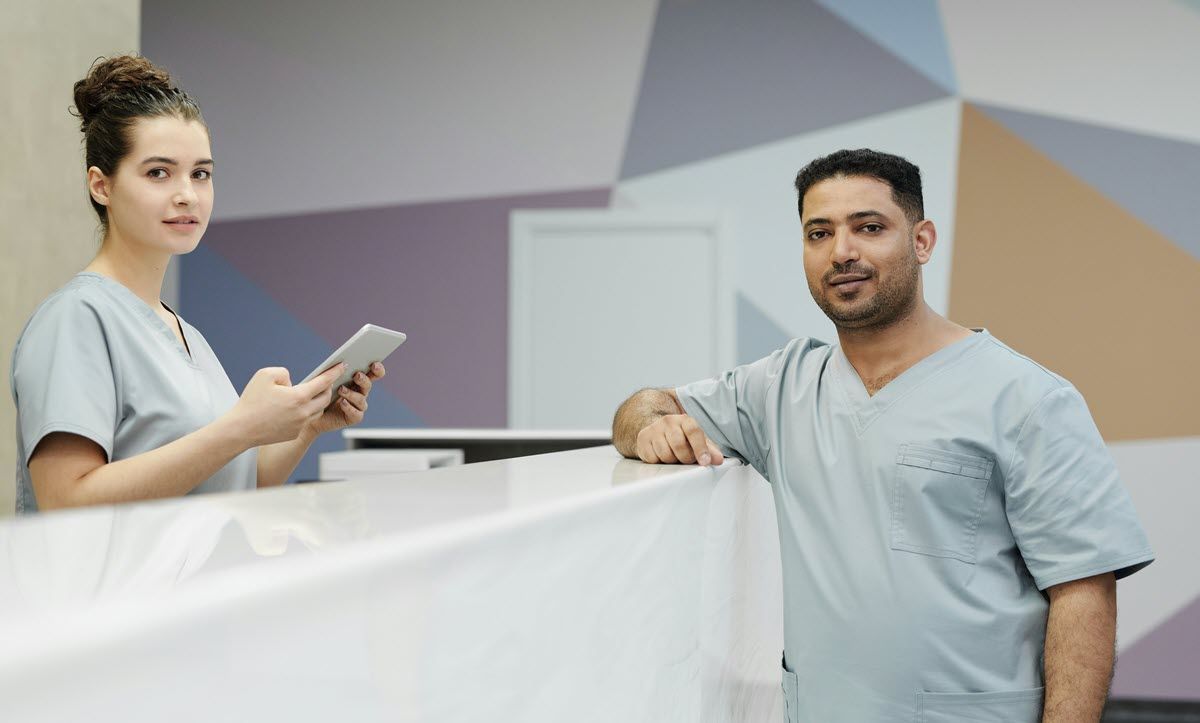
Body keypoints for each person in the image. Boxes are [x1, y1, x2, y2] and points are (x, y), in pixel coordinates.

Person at [612, 149, 1153, 722]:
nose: (842, 251)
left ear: (921, 241)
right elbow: (639, 407)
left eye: (868, 228)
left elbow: (1083, 593)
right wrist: (653, 424)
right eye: (819, 233)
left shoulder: (1027, 399)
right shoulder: (780, 388)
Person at [10, 55, 385, 514]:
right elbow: (66, 502)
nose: (187, 193)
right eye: (158, 173)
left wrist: (304, 424)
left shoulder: (186, 335)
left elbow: (232, 485)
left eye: (200, 173)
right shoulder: (75, 319)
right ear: (101, 186)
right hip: (105, 588)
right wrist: (240, 428)